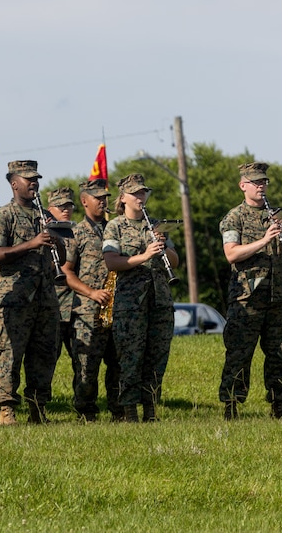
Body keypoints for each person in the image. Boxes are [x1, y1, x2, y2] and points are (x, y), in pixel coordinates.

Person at [218, 162, 282, 420]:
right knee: (239, 353)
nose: (261, 186)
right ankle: (231, 405)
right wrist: (264, 241)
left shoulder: (279, 215)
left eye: (264, 182)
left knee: (281, 353)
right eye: (256, 182)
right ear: (243, 185)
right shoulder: (234, 217)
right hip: (247, 298)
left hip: (277, 297)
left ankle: (278, 405)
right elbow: (231, 254)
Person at [0, 160, 61, 425]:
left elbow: (61, 257)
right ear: (13, 183)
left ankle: (38, 409)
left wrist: (56, 235)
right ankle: (6, 409)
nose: (34, 184)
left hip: (44, 298)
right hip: (14, 299)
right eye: (28, 179)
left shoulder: (43, 217)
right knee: (10, 355)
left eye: (36, 179)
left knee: (44, 355)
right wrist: (32, 243)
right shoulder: (3, 215)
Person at [102, 173, 179, 422]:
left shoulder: (156, 225)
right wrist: (144, 256)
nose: (140, 197)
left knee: (157, 356)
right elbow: (111, 261)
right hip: (131, 304)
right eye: (135, 193)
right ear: (123, 198)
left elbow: (176, 261)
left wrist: (164, 246)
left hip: (159, 301)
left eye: (143, 192)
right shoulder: (115, 226)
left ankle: (151, 409)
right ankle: (129, 411)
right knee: (130, 357)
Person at [63, 179, 120, 422]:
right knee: (86, 367)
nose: (103, 201)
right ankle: (86, 413)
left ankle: (120, 411)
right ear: (84, 201)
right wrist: (92, 293)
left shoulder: (115, 229)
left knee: (118, 365)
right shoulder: (75, 232)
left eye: (105, 197)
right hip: (88, 310)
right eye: (97, 197)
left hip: (117, 309)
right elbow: (67, 272)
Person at [46, 186, 77, 365]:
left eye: (69, 206)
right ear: (50, 209)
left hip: (76, 309)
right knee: (48, 358)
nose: (66, 210)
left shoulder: (78, 232)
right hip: (53, 306)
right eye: (61, 207)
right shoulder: (42, 233)